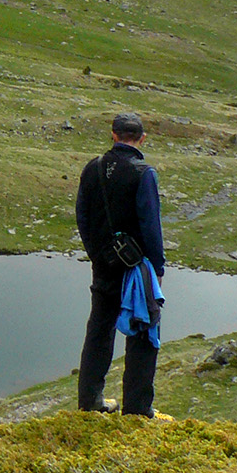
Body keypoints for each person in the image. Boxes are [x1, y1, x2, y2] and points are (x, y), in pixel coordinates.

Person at [74, 111, 165, 415]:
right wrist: (158, 270)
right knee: (142, 329)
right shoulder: (144, 173)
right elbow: (151, 227)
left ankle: (90, 402)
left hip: (103, 266)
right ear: (142, 139)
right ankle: (137, 411)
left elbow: (83, 217)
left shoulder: (93, 168)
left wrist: (97, 254)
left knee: (99, 329)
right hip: (136, 270)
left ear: (112, 135)